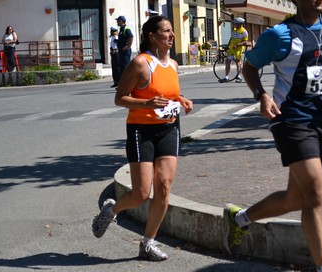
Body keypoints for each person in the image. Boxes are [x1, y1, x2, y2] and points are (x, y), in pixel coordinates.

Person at [222, 0, 322, 272]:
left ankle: (239, 218)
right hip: (291, 120)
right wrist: (262, 96)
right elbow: (250, 67)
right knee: (315, 194)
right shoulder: (279, 35)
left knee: (297, 197)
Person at [92, 15, 193, 261]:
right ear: (152, 36)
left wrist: (181, 100)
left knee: (165, 187)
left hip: (169, 128)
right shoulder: (140, 64)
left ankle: (148, 243)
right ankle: (112, 209)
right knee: (140, 193)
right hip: (141, 131)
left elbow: (169, 94)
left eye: (171, 31)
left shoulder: (174, 64)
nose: (172, 35)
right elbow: (120, 98)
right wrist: (146, 102)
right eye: (167, 31)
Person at [218, 17, 249, 83]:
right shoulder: (234, 30)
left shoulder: (244, 31)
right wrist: (227, 45)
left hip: (238, 49)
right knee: (227, 61)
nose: (234, 25)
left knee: (238, 62)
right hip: (231, 48)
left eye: (235, 24)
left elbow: (245, 42)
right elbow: (231, 38)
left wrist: (237, 45)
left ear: (240, 24)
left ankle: (239, 77)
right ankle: (226, 77)